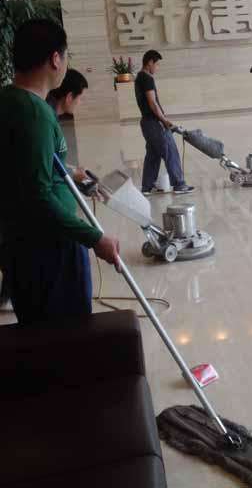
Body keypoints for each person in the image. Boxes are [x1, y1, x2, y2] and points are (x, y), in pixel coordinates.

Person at [0, 19, 120, 325]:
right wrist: (95, 238)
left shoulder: (8, 100)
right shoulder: (35, 113)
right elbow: (37, 195)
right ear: (55, 58)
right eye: (65, 56)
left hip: (21, 245)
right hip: (50, 250)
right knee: (68, 334)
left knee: (42, 336)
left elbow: (27, 170)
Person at [135, 50, 194, 196]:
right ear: (150, 62)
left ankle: (146, 187)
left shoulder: (139, 77)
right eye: (157, 64)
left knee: (153, 155)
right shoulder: (147, 78)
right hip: (155, 123)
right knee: (170, 151)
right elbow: (152, 103)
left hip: (146, 123)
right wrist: (164, 120)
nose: (157, 68)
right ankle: (179, 185)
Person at [46, 68, 88, 180]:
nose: (80, 103)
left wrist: (73, 169)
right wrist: (73, 173)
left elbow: (53, 158)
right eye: (81, 98)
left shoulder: (50, 114)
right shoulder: (47, 120)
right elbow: (47, 163)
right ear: (69, 97)